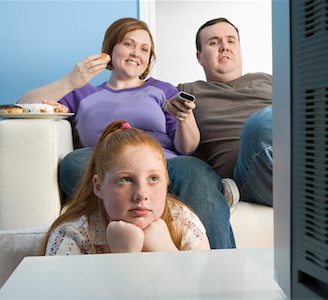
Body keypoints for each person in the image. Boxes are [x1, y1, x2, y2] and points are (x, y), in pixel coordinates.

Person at [19, 17, 235, 249]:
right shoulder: (83, 94)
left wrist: (184, 117)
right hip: (110, 168)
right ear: (110, 49)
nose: (136, 53)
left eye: (144, 49)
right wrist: (71, 81)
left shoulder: (162, 90)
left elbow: (187, 147)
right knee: (74, 161)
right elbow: (24, 105)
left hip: (164, 166)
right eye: (128, 44)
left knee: (193, 168)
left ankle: (221, 271)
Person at [43, 120, 210, 254]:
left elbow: (204, 292)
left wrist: (167, 252)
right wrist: (124, 258)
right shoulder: (73, 234)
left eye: (153, 178)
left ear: (166, 183)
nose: (141, 194)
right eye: (126, 180)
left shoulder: (183, 221)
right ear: (99, 187)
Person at [178, 17, 273, 207]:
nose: (225, 47)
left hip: (292, 154)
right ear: (199, 56)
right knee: (259, 125)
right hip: (249, 176)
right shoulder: (187, 91)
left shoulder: (268, 79)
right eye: (214, 42)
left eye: (231, 41)